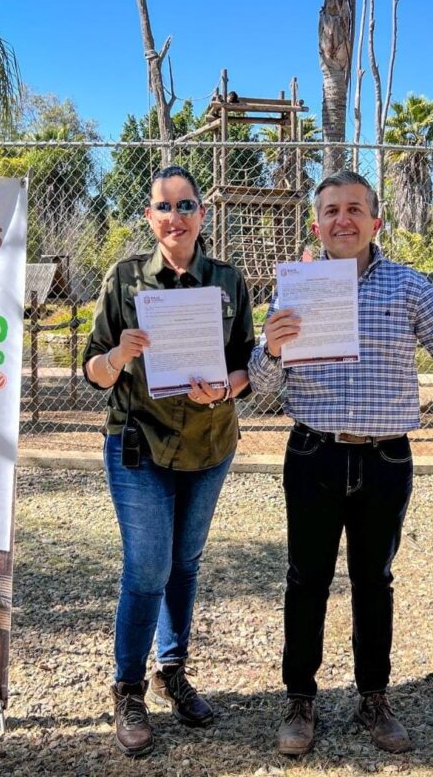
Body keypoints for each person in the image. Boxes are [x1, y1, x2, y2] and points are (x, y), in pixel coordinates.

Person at [247, 170, 433, 756]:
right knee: (305, 579)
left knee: (373, 581)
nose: (343, 219)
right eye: (331, 210)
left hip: (385, 457)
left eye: (355, 208)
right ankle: (300, 701)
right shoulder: (295, 291)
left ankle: (373, 698)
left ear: (375, 223)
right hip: (313, 453)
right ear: (316, 225)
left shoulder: (408, 288)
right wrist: (271, 348)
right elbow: (260, 388)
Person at [83, 165, 254, 757]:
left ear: (202, 214)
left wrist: (226, 389)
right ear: (150, 217)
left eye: (186, 205)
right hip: (140, 443)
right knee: (148, 566)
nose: (175, 217)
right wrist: (118, 355)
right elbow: (92, 370)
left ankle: (171, 670)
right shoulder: (125, 279)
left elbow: (245, 363)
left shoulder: (228, 281)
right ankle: (128, 688)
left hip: (209, 444)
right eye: (164, 207)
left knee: (185, 563)